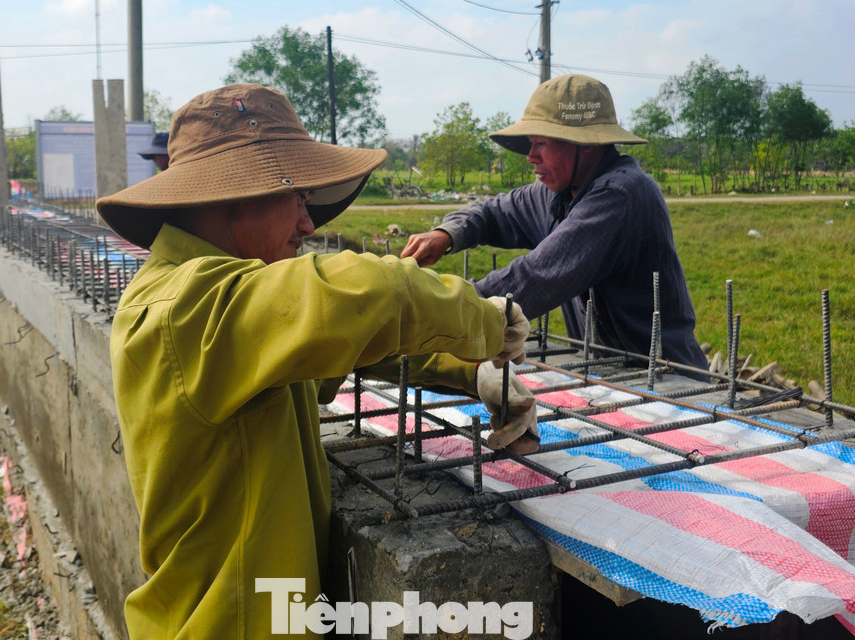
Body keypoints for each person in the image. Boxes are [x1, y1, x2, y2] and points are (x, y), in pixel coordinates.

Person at [95, 83, 536, 639]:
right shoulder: (185, 308)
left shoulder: (245, 320)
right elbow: (372, 295)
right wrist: (485, 321)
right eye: (297, 197)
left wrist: (473, 373)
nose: (308, 224)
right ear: (232, 194)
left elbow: (349, 347)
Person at [403, 73, 708, 370]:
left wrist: (439, 306)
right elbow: (492, 212)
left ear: (586, 143)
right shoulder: (560, 191)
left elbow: (536, 276)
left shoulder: (620, 193)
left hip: (665, 380)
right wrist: (446, 234)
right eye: (531, 144)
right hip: (606, 371)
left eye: (543, 144)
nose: (531, 156)